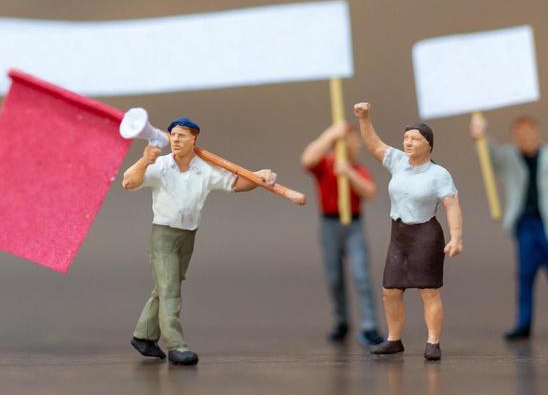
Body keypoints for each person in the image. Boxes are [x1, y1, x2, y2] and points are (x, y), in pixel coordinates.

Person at [121, 116, 275, 366]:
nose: (176, 139)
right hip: (163, 235)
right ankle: (176, 345)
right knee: (170, 290)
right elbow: (128, 182)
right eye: (173, 135)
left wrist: (258, 178)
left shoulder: (205, 169)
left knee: (165, 286)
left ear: (194, 138)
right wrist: (144, 161)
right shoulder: (159, 165)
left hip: (188, 234)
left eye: (182, 135)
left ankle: (144, 336)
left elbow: (235, 183)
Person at [353, 102, 462, 360]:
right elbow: (373, 144)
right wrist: (365, 118)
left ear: (428, 145)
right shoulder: (398, 162)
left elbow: (452, 206)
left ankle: (433, 341)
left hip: (425, 235)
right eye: (406, 138)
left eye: (415, 139)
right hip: (399, 235)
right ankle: (393, 339)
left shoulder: (439, 174)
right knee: (390, 290)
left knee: (429, 290)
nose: (408, 143)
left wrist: (456, 236)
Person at [470, 113, 548, 342]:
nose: (525, 139)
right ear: (514, 137)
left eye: (529, 133)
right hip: (525, 224)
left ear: (537, 132)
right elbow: (490, 158)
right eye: (520, 135)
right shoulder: (509, 157)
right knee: (525, 275)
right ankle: (523, 323)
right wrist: (481, 136)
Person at [300, 120, 382, 346]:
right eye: (351, 141)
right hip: (329, 226)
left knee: (361, 275)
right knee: (334, 278)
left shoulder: (358, 169)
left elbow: (370, 192)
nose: (357, 146)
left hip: (353, 226)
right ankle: (341, 321)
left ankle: (370, 325)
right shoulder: (325, 165)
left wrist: (349, 174)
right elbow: (307, 160)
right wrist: (330, 133)